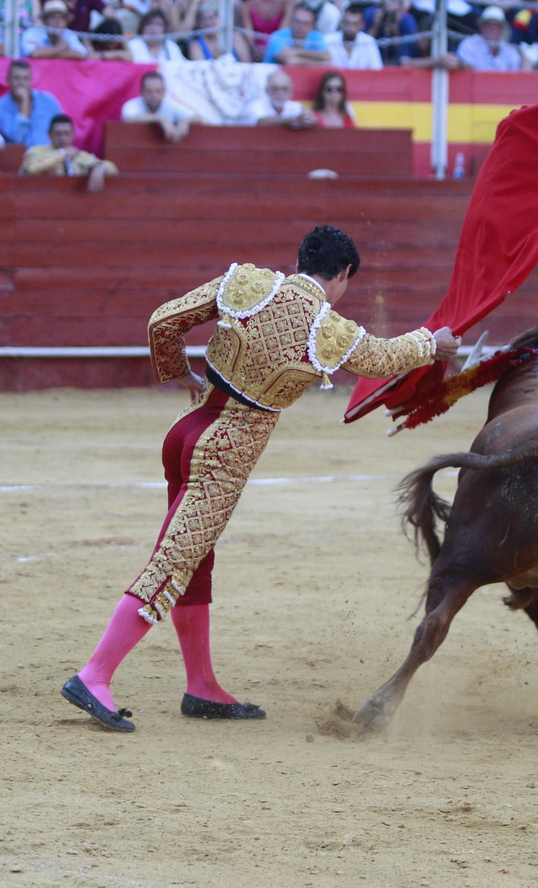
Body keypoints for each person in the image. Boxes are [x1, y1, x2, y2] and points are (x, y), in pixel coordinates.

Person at [60, 225, 460, 732]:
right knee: (175, 560)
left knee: (193, 559)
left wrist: (179, 373)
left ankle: (201, 685)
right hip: (225, 451)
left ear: (300, 259)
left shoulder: (246, 284)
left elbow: (163, 321)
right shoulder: (327, 328)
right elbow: (382, 358)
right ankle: (95, 674)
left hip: (185, 432)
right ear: (342, 274)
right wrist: (432, 342)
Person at [21, 113, 118, 191]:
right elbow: (30, 168)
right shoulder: (37, 151)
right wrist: (63, 153)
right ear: (49, 134)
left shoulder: (79, 156)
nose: (62, 138)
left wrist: (100, 168)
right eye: (58, 134)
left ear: (73, 135)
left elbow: (112, 167)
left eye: (66, 134)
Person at [0, 60, 65, 146]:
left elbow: (62, 129)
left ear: (31, 80)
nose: (21, 83)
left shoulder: (48, 100)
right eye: (17, 78)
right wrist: (24, 103)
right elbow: (17, 138)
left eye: (25, 78)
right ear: (8, 80)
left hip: (49, 155)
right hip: (21, 157)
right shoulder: (1, 106)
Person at [121, 71, 194, 142]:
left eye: (158, 91)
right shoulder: (132, 105)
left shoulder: (170, 104)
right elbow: (128, 119)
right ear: (142, 92)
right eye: (149, 91)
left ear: (164, 91)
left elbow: (199, 117)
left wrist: (185, 121)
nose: (154, 95)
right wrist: (160, 119)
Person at [21, 0, 94, 59]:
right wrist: (61, 48)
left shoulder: (69, 34)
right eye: (52, 17)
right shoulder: (32, 33)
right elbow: (33, 53)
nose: (57, 22)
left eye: (62, 18)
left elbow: (80, 53)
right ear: (45, 20)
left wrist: (45, 53)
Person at [265, 2, 332, 65]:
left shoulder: (316, 36)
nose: (300, 27)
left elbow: (327, 57)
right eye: (297, 22)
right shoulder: (277, 36)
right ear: (291, 21)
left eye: (305, 23)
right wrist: (318, 61)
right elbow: (290, 62)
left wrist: (295, 52)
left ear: (312, 25)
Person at [456, 5, 520, 71]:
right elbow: (465, 71)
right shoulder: (468, 45)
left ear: (502, 29)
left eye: (496, 26)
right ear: (481, 27)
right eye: (488, 25)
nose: (492, 29)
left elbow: (515, 74)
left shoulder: (510, 51)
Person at [249, 69, 317, 128]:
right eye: (275, 89)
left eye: (284, 89)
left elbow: (312, 122)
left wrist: (308, 119)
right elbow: (261, 122)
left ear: (291, 92)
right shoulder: (255, 105)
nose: (280, 93)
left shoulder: (295, 106)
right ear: (267, 90)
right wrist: (294, 120)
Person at [328, 4, 383, 69]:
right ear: (342, 23)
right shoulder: (328, 41)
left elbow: (376, 69)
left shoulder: (369, 42)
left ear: (362, 25)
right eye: (347, 23)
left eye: (355, 24)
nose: (350, 28)